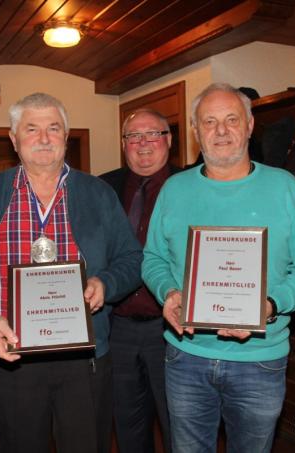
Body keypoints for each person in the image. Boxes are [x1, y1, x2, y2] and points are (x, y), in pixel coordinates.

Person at [0, 92, 143, 453]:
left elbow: (131, 259)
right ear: (14, 139)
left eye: (53, 128)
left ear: (66, 137)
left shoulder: (98, 193)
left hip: (84, 359)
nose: (44, 138)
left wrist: (106, 283)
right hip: (11, 356)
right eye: (31, 129)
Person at [142, 82, 295, 452]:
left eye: (231, 119)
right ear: (195, 131)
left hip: (259, 359)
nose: (221, 131)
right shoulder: (174, 189)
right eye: (209, 122)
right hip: (186, 355)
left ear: (250, 125)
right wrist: (169, 292)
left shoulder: (284, 187)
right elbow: (153, 258)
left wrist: (269, 305)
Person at [99, 109, 178, 453]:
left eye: (153, 134)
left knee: (178, 425)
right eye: (133, 136)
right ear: (123, 144)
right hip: (116, 328)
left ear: (169, 140)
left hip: (172, 328)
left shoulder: (190, 185)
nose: (143, 143)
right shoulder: (102, 188)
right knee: (127, 425)